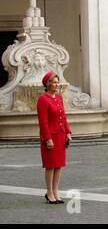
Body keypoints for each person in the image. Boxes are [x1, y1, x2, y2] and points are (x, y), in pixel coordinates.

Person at [37, 71, 72, 204]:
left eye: (57, 82)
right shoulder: (43, 99)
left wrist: (68, 132)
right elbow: (43, 122)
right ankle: (49, 192)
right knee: (50, 166)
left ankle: (56, 191)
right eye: (54, 82)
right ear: (47, 84)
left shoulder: (59, 98)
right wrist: (47, 139)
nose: (56, 84)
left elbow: (63, 117)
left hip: (61, 135)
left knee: (59, 165)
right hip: (50, 137)